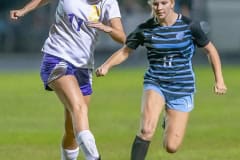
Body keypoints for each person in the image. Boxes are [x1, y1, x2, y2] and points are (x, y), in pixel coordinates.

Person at [95, 0, 227, 159]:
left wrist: (219, 79)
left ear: (171, 3)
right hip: (155, 82)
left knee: (171, 146)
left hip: (182, 87)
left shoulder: (190, 26)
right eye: (155, 4)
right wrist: (107, 66)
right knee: (146, 130)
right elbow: (126, 51)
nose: (159, 7)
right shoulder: (145, 28)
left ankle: (167, 120)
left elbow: (210, 51)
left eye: (163, 3)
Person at [10, 0, 125, 160]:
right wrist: (24, 10)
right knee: (79, 108)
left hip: (83, 67)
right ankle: (94, 157)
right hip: (57, 58)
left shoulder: (109, 3)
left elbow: (122, 37)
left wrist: (108, 28)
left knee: (72, 129)